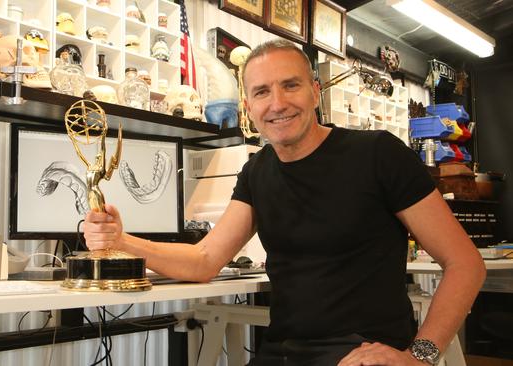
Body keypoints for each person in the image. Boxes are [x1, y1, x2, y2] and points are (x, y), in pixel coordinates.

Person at [83, 39, 486, 365]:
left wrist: (419, 356)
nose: (277, 103)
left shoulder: (378, 154)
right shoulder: (258, 171)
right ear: (249, 108)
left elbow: (465, 263)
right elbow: (206, 260)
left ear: (315, 92)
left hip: (363, 353)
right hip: (284, 352)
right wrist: (121, 241)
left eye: (290, 85)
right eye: (261, 92)